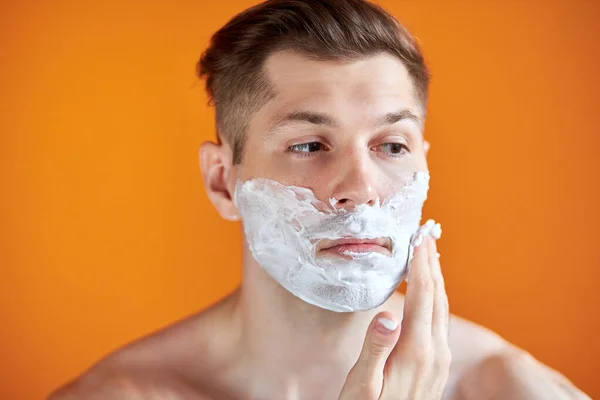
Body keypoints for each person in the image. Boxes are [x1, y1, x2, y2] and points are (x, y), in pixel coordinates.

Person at [48, 0, 590, 399]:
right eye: (308, 145)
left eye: (391, 145)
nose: (362, 186)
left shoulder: (508, 389)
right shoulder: (121, 394)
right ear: (222, 182)